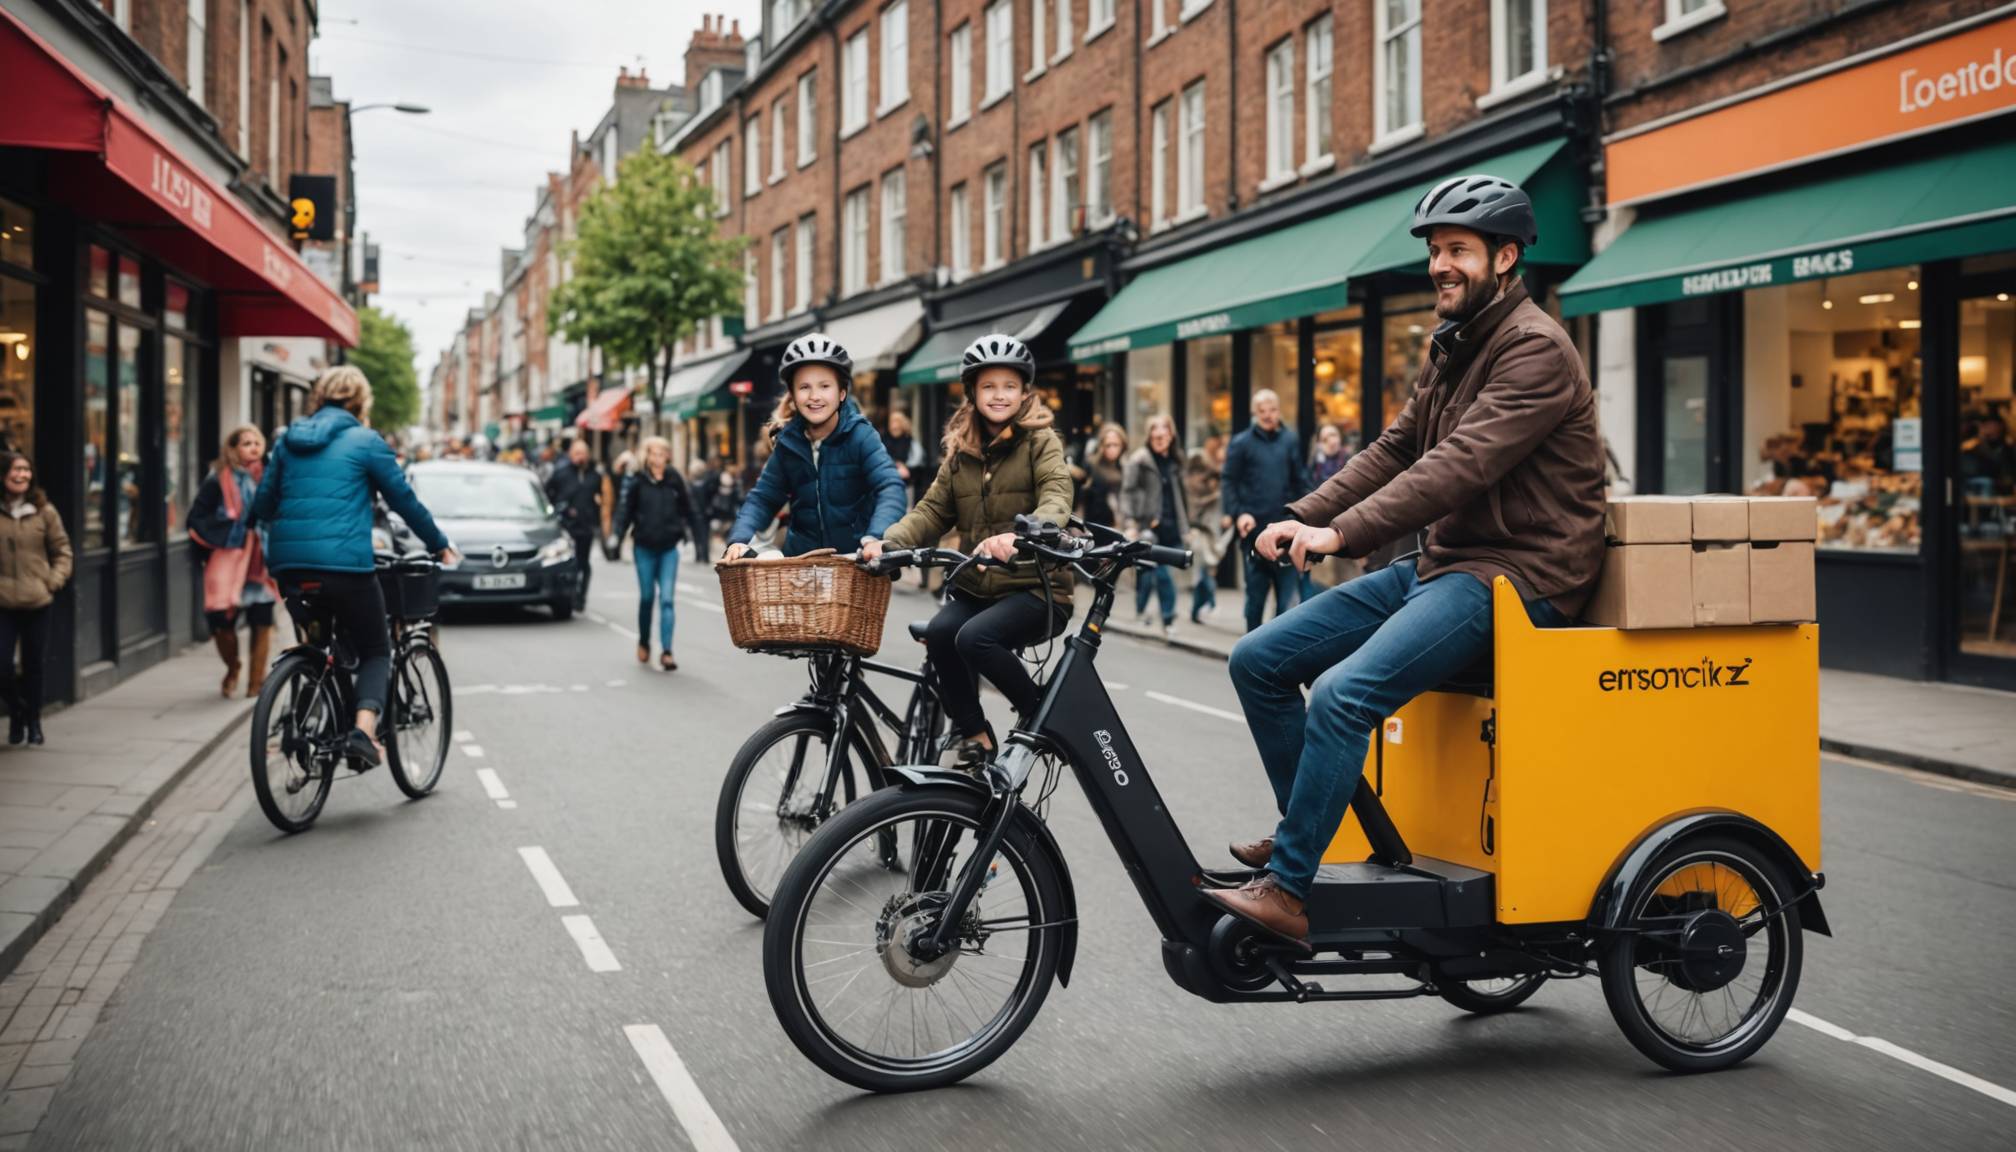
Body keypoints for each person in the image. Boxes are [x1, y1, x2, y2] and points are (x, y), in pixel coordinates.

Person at [1208, 174, 1605, 944]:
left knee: (1342, 695)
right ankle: (1305, 835)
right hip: (1446, 563)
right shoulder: (1453, 345)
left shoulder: (1536, 350)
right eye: (1434, 251)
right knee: (1257, 658)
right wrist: (1301, 514)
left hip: (1521, 575)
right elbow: (1397, 448)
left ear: (1506, 256)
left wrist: (1341, 536)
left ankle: (1288, 890)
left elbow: (1456, 465)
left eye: (1458, 249)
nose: (1439, 266)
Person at [863, 334, 1075, 767]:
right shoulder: (961, 454)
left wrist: (1030, 531)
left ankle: (1043, 717)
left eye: (1010, 386)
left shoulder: (1042, 442)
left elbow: (1057, 494)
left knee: (974, 639)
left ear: (1024, 391)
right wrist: (887, 542)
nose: (1000, 395)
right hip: (979, 586)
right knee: (942, 633)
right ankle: (976, 735)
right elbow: (929, 512)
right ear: (973, 393)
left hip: (1039, 589)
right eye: (989, 386)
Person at [250, 367, 458, 769]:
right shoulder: (366, 441)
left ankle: (302, 721)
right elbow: (404, 502)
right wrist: (439, 544)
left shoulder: (288, 441)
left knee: (316, 643)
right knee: (376, 648)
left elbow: (261, 505)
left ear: (319, 398)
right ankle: (362, 732)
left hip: (292, 571)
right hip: (345, 569)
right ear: (361, 402)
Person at [725, 335, 907, 560]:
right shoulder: (788, 443)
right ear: (792, 396)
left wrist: (876, 538)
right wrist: (739, 539)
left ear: (842, 393)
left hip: (856, 563)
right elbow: (763, 498)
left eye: (825, 386)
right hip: (802, 564)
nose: (814, 396)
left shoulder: (861, 435)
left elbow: (889, 487)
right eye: (804, 387)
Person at [188, 425, 279, 698]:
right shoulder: (218, 479)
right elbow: (196, 517)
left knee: (262, 618)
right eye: (246, 443)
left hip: (260, 559)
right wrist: (226, 535)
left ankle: (256, 685)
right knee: (220, 620)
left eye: (257, 442)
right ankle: (233, 666)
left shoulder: (270, 477)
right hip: (229, 556)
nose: (253, 447)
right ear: (233, 448)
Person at [1221, 389, 1310, 632]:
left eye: (1272, 410)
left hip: (1286, 534)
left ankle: (1278, 657)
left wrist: (1307, 516)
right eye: (1262, 411)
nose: (1268, 415)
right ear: (1254, 413)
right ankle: (1252, 651)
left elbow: (1300, 481)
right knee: (1255, 602)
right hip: (1254, 535)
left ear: (1278, 411)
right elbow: (1228, 480)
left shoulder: (1290, 440)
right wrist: (1239, 513)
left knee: (1286, 606)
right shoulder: (1241, 443)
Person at [0, 453, 69, 746]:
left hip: (37, 600)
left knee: (33, 664)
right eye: (16, 469)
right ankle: (17, 709)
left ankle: (34, 722)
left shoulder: (44, 511)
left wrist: (52, 582)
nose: (22, 475)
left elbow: (62, 551)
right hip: (2, 601)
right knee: (2, 665)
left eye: (26, 469)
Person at [610, 436, 696, 671]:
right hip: (644, 547)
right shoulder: (638, 480)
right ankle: (644, 640)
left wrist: (695, 537)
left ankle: (667, 651)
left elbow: (689, 508)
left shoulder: (674, 478)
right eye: (653, 454)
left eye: (661, 454)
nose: (657, 459)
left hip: (669, 548)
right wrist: (616, 535)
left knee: (667, 599)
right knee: (648, 598)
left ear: (668, 456)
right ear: (646, 456)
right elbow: (625, 509)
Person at [1123, 415, 1188, 639]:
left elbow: (1179, 495)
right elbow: (1128, 491)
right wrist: (1131, 522)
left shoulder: (1175, 460)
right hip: (1149, 526)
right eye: (1156, 435)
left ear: (1171, 436)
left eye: (1165, 435)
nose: (1161, 439)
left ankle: (1150, 614)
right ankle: (1166, 618)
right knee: (1158, 575)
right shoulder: (1140, 460)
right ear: (1150, 436)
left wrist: (1186, 525)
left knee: (1161, 573)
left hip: (1173, 526)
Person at [545, 439, 603, 610]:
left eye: (583, 453)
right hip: (567, 526)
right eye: (577, 453)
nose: (580, 457)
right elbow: (549, 493)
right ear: (570, 455)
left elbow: (603, 498)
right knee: (569, 562)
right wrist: (560, 509)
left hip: (586, 525)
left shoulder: (594, 475)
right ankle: (567, 594)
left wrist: (597, 519)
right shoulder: (561, 473)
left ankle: (581, 597)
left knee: (584, 562)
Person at [1185, 439, 1227, 623]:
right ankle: (1210, 603)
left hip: (1209, 531)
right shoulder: (1192, 486)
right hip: (1199, 531)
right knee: (1204, 570)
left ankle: (1197, 609)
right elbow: (1194, 507)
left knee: (1206, 570)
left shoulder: (1208, 482)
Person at [1075, 425, 1128, 532]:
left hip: (1122, 523)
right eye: (1108, 445)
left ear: (1122, 446)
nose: (1112, 449)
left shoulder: (1125, 466)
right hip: (1097, 525)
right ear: (1102, 446)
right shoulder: (1092, 465)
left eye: (1115, 445)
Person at [882, 409, 925, 508]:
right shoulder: (884, 439)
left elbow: (917, 459)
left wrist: (907, 469)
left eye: (897, 422)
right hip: (888, 482)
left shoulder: (909, 441)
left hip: (906, 483)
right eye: (892, 422)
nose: (894, 425)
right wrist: (896, 465)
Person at [1309, 422, 1349, 487]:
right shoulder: (1316, 457)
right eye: (1325, 438)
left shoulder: (1347, 457)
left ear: (1340, 438)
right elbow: (1309, 481)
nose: (1330, 440)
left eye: (1333, 435)